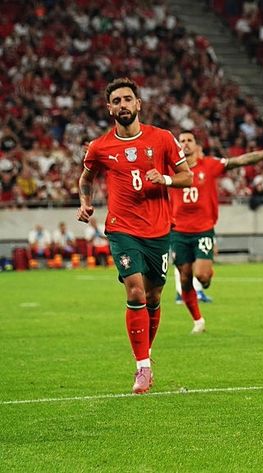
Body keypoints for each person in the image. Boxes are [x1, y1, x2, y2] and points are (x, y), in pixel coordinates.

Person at [76, 77, 193, 394]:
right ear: (109, 108)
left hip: (158, 230)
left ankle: (146, 354)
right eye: (116, 101)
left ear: (138, 104)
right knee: (136, 292)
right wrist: (85, 202)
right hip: (122, 229)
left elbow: (187, 176)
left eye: (128, 99)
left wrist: (165, 179)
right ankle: (142, 367)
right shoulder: (100, 147)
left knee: (154, 297)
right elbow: (86, 179)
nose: (123, 105)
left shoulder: (162, 138)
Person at [170, 130, 263, 333]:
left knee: (201, 276)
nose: (185, 144)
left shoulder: (209, 165)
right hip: (178, 232)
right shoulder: (170, 168)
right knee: (184, 278)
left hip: (203, 230)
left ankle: (208, 272)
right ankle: (198, 320)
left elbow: (241, 160)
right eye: (181, 141)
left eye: (189, 140)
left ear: (196, 146)